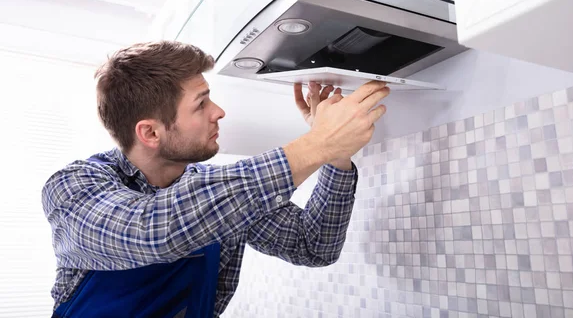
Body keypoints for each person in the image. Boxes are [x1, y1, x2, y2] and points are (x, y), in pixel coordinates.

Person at [42, 40, 389, 317]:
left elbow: (313, 246)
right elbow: (154, 232)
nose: (219, 112)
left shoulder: (218, 194)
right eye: (201, 103)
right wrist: (316, 144)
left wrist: (334, 154)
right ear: (150, 132)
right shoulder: (73, 189)